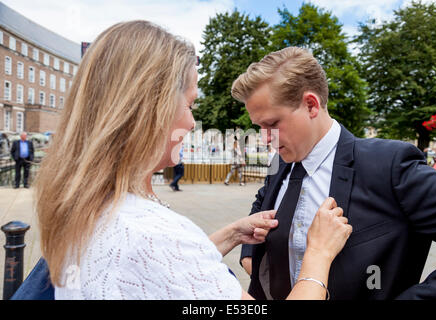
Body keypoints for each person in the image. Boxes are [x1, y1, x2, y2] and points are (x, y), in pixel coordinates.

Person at [34, 21, 351, 300]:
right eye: (188, 104)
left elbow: (156, 274)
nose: (189, 122)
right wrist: (318, 256)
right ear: (150, 109)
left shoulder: (85, 206)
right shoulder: (156, 233)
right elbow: (163, 255)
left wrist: (228, 235)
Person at [231, 47, 436, 300]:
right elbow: (262, 202)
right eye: (259, 127)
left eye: (271, 124)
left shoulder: (390, 165)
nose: (265, 138)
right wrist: (249, 252)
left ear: (311, 105)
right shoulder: (279, 163)